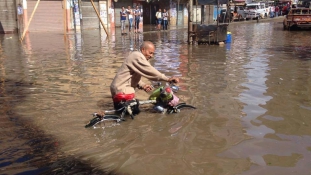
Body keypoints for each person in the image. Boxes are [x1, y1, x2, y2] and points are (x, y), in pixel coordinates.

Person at [110, 41, 179, 109]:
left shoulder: (137, 57)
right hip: (122, 90)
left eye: (153, 54)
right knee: (134, 113)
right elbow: (150, 71)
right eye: (150, 53)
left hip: (119, 88)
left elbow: (131, 76)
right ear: (143, 49)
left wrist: (143, 85)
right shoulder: (137, 56)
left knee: (122, 112)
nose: (151, 56)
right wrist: (167, 79)